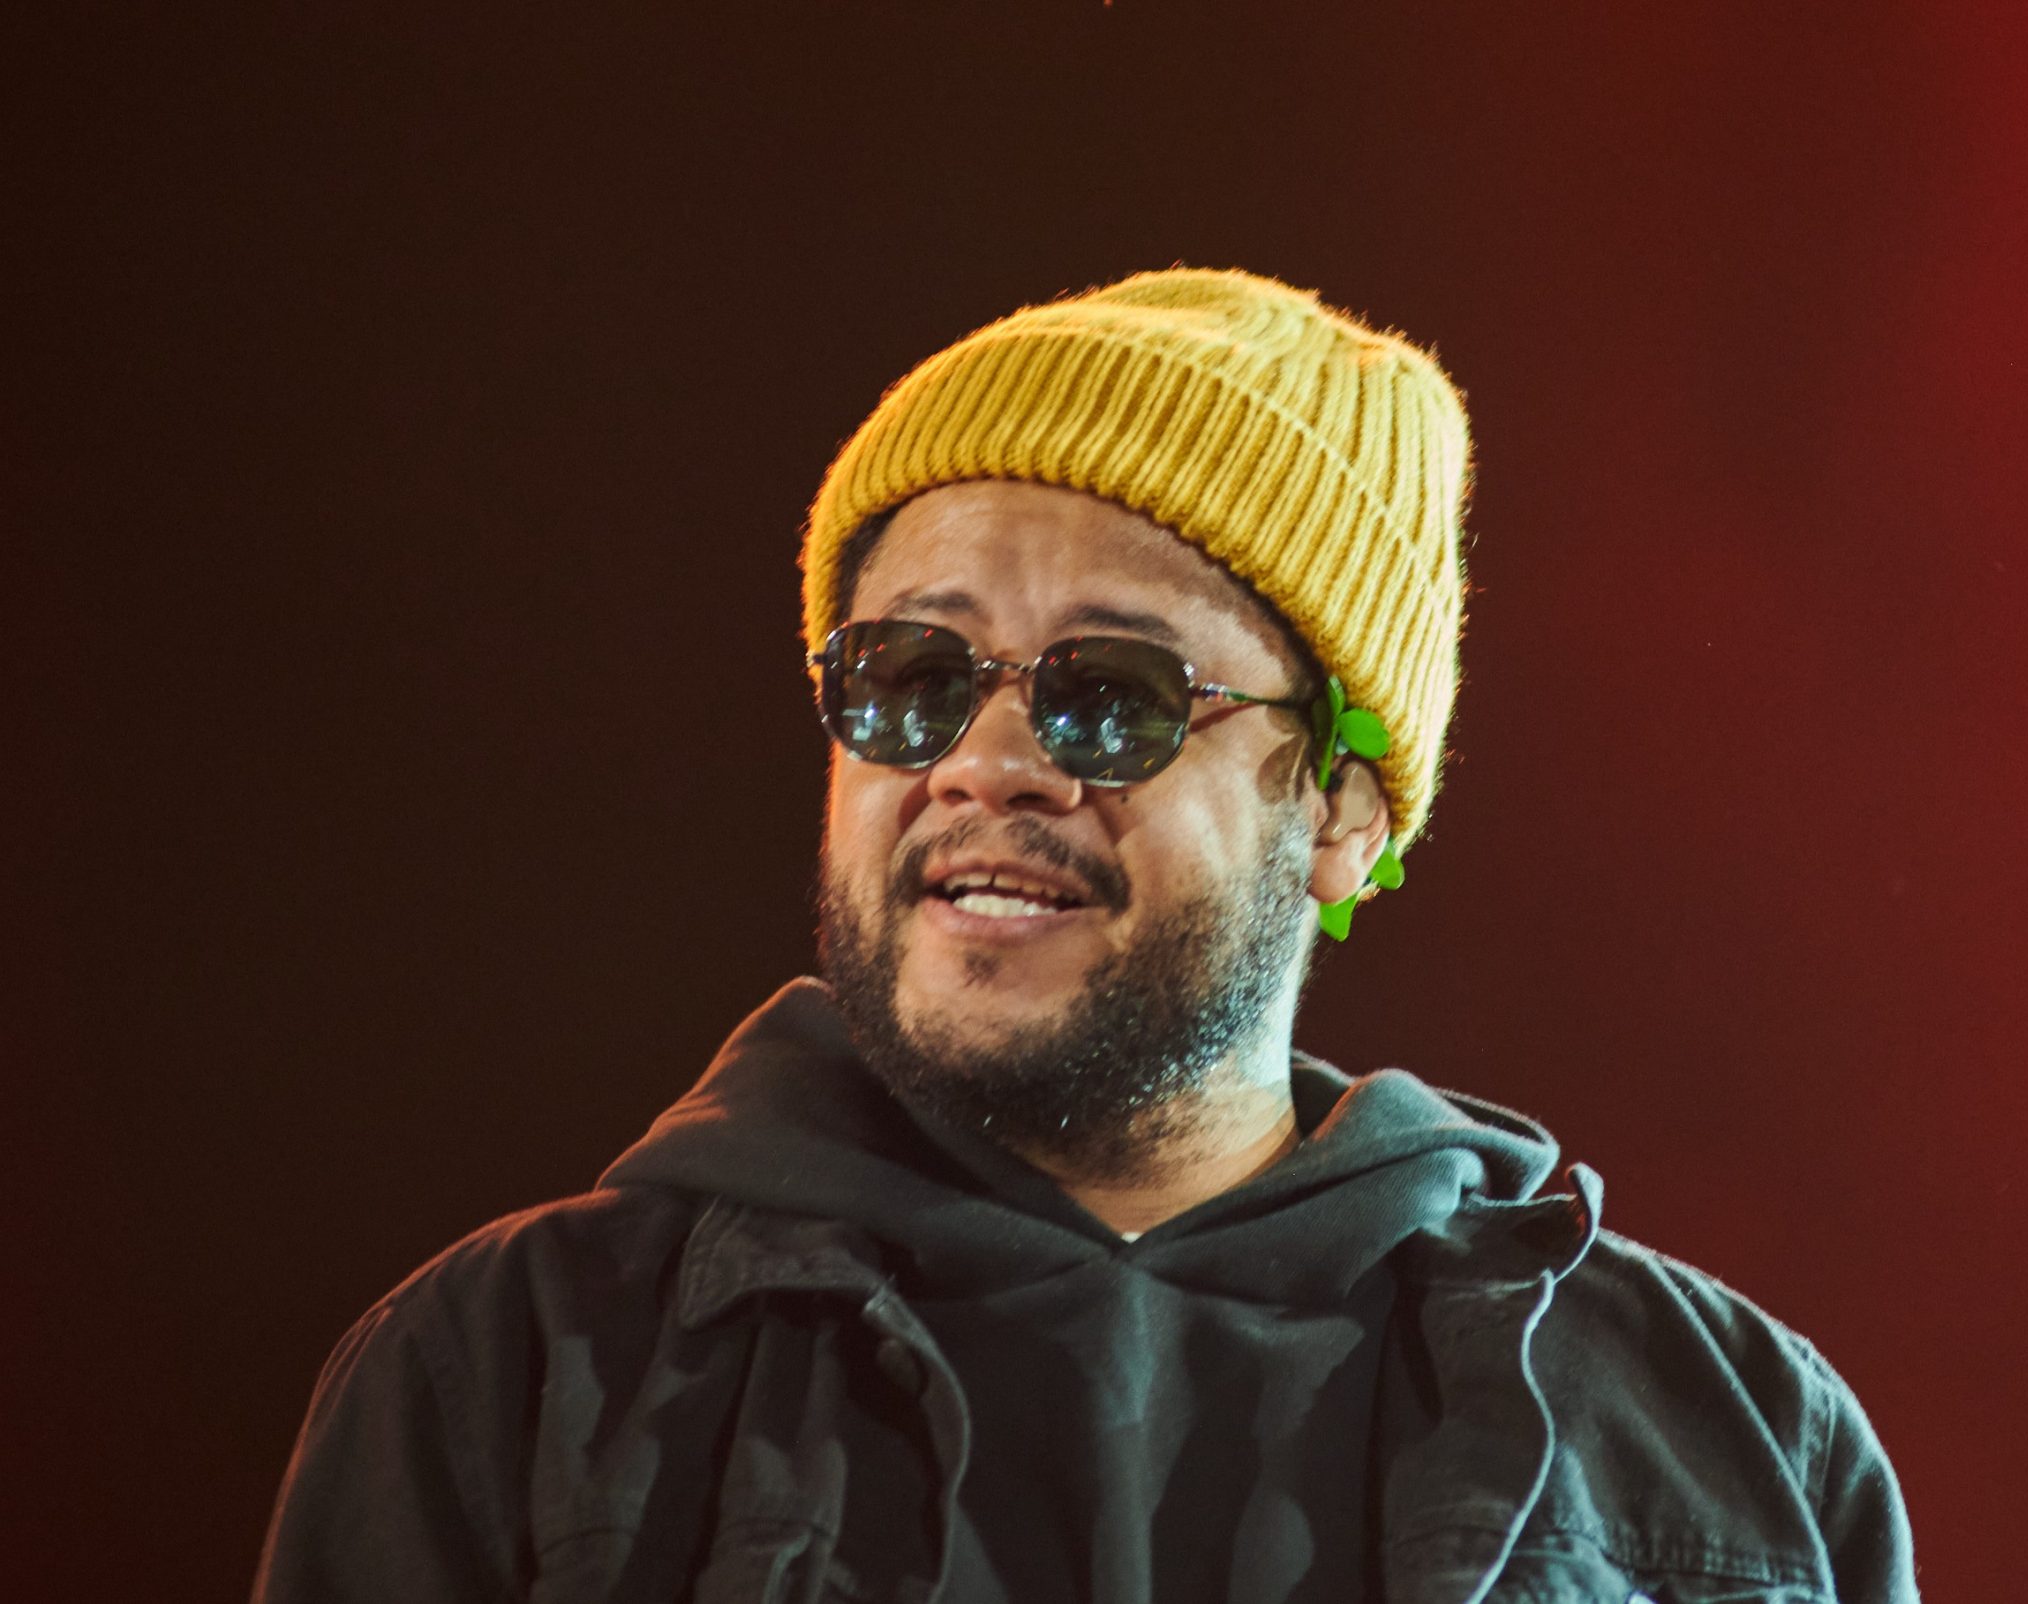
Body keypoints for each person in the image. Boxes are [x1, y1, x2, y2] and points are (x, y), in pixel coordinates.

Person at [254, 267, 1919, 1604]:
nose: (983, 764)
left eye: (1111, 696)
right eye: (909, 679)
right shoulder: (506, 1374)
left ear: (1342, 814)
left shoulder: (1732, 1441)